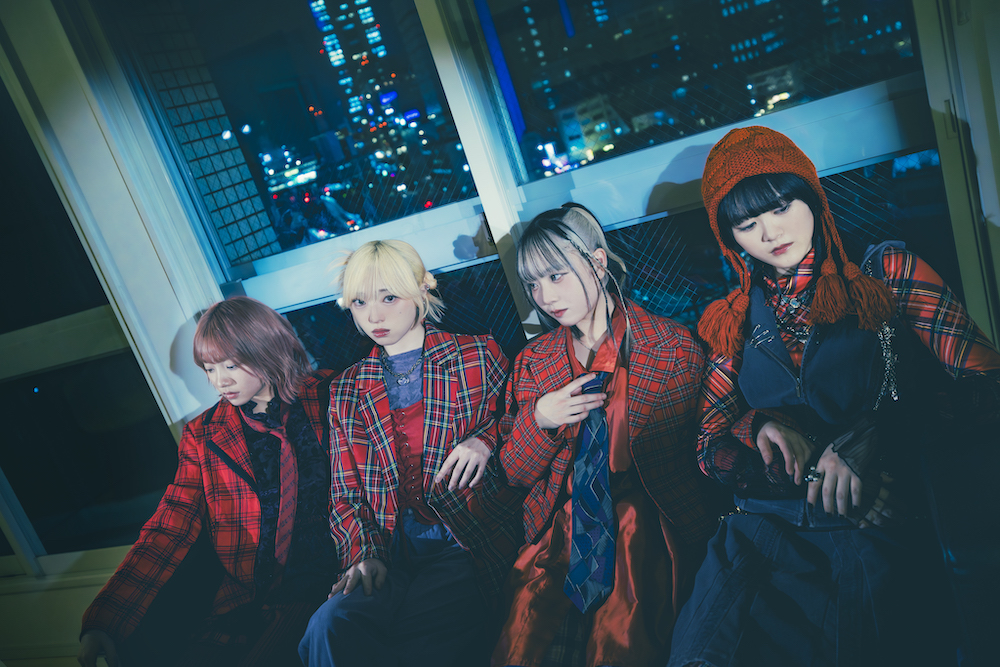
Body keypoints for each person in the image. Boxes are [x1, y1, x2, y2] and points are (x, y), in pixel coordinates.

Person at [668, 125, 1000, 666]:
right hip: (764, 530)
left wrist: (875, 435)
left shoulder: (886, 272)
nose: (769, 233)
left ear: (812, 197)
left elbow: (988, 386)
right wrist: (758, 425)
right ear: (730, 239)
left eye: (780, 207)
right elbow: (709, 447)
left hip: (876, 525)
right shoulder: (733, 318)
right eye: (746, 225)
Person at [492, 204, 715, 667]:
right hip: (561, 533)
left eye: (556, 275)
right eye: (533, 284)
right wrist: (540, 418)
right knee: (529, 646)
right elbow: (514, 474)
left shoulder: (671, 347)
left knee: (621, 643)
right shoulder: (535, 361)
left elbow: (703, 447)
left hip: (647, 527)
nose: (544, 296)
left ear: (597, 262)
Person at [298, 239, 523, 667]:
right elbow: (345, 494)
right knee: (328, 625)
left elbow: (520, 419)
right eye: (360, 302)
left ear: (421, 288)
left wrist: (486, 439)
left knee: (420, 638)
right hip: (389, 548)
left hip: (464, 538)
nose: (374, 316)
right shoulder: (347, 389)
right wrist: (364, 554)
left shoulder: (476, 355)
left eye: (389, 298)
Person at [78, 296, 338, 667]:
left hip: (327, 585)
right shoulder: (204, 435)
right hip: (246, 603)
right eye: (210, 369)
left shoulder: (331, 395)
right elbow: (170, 526)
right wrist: (104, 621)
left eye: (231, 365)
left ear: (267, 349)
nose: (220, 381)